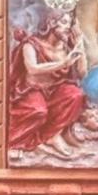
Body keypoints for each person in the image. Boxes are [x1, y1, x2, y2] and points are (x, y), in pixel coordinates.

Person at [9, 8, 88, 156]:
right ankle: (24, 141)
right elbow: (32, 69)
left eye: (70, 24)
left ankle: (52, 135)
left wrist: (80, 43)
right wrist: (64, 63)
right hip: (31, 91)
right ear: (51, 23)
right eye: (64, 22)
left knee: (76, 95)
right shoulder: (31, 44)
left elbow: (83, 73)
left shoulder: (65, 48)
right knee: (38, 111)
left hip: (54, 91)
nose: (67, 28)